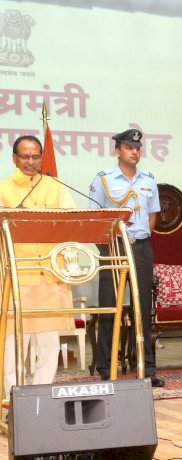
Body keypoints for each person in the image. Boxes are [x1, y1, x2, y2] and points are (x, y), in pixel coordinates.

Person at [88, 129, 164, 387]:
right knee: (111, 307)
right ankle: (105, 369)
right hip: (114, 247)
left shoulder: (149, 180)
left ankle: (147, 369)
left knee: (143, 307)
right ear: (117, 151)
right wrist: (109, 247)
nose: (135, 151)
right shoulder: (103, 180)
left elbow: (152, 216)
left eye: (137, 147)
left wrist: (139, 237)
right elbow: (94, 219)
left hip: (140, 247)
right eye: (129, 147)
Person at [0, 135, 75, 392]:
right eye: (25, 156)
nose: (30, 162)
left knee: (49, 343)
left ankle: (43, 395)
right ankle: (12, 400)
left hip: (49, 275)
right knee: (12, 343)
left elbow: (72, 222)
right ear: (14, 158)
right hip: (16, 275)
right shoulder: (3, 188)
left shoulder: (55, 187)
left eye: (35, 156)